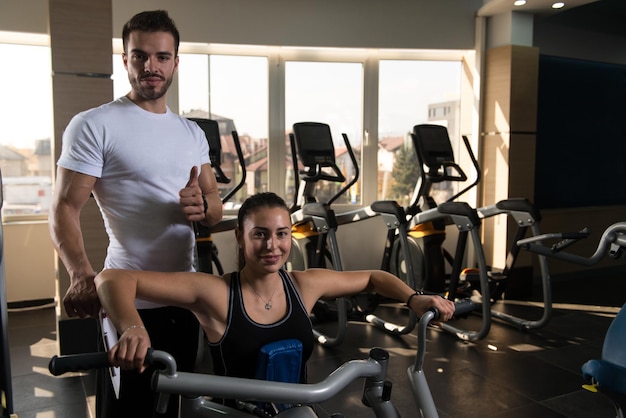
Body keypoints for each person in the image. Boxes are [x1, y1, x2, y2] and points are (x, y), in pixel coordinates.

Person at [94, 192, 456, 414]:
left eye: (282, 234)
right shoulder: (216, 294)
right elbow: (112, 278)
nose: (272, 246)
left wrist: (414, 297)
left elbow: (374, 277)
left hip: (297, 410)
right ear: (240, 237)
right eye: (260, 235)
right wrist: (132, 326)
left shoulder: (304, 286)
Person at [48, 9, 222, 418]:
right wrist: (79, 274)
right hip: (131, 300)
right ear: (125, 59)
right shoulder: (94, 125)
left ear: (175, 62)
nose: (151, 66)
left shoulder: (191, 132)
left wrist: (204, 206)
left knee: (175, 404)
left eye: (162, 57)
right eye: (140, 55)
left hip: (185, 296)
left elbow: (214, 206)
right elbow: (64, 207)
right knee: (128, 408)